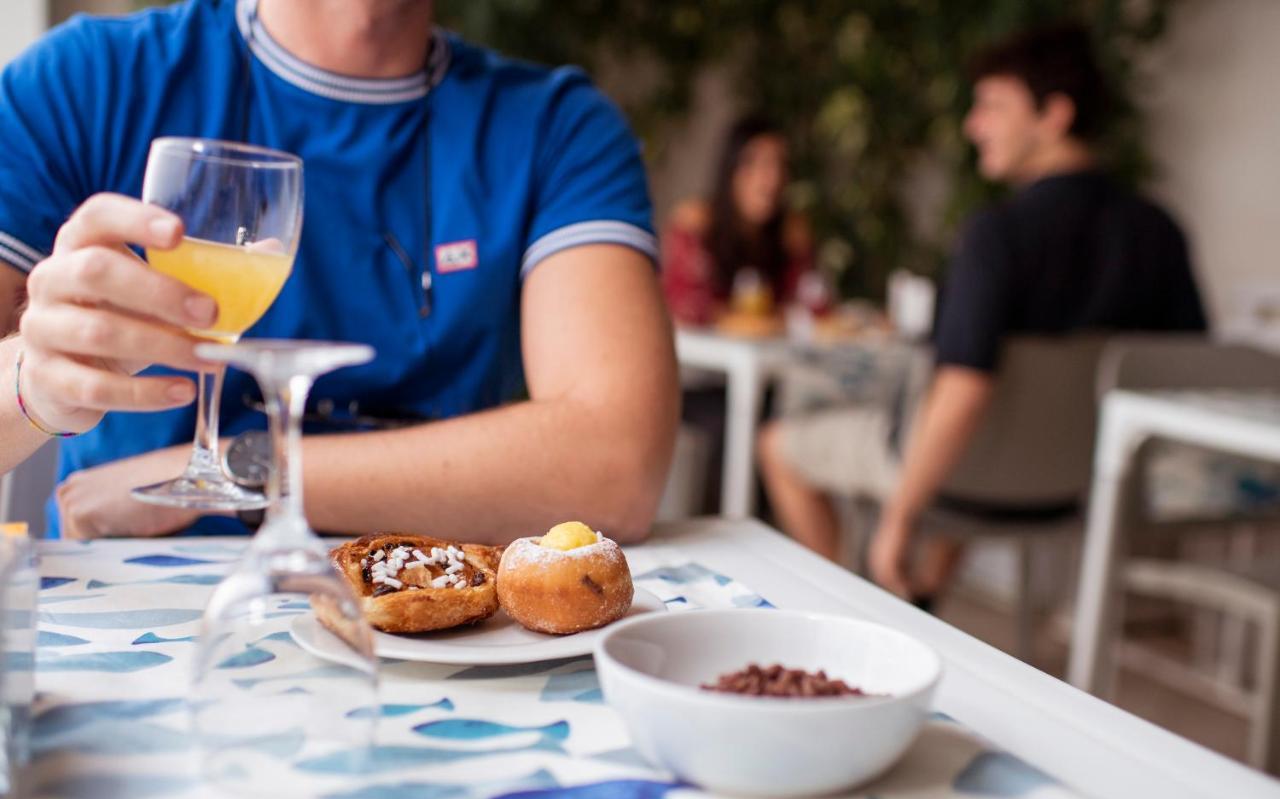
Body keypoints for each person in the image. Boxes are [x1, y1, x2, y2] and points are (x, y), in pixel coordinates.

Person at [0, 0, 678, 543]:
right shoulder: (86, 83)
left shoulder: (557, 129)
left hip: (437, 626)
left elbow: (615, 464)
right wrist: (35, 386)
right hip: (134, 630)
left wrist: (246, 467)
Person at [758, 23, 1206, 604]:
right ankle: (923, 602)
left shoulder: (999, 234)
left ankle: (842, 608)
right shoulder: (1160, 233)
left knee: (778, 444)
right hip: (1078, 485)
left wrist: (898, 521)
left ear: (1054, 115)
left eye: (993, 106)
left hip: (962, 475)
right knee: (973, 436)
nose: (974, 125)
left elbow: (965, 391)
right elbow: (1186, 369)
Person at [661, 116, 814, 326]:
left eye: (780, 165)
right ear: (731, 169)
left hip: (768, 356)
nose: (772, 179)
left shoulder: (789, 233)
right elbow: (687, 308)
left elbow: (815, 307)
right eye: (757, 164)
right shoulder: (697, 223)